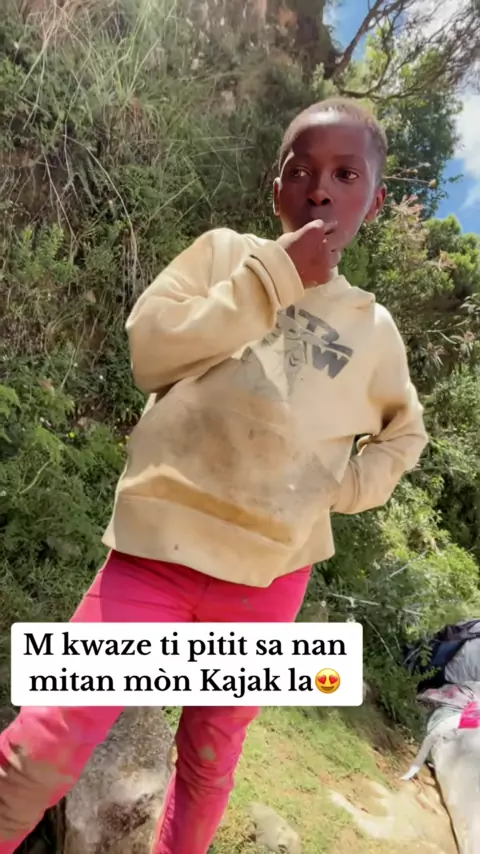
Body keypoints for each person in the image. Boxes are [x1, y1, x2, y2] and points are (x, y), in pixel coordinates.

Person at [0, 97, 428, 854]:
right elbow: (150, 349)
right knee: (49, 734)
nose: (319, 190)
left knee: (209, 761)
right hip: (156, 553)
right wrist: (273, 278)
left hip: (268, 581)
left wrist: (340, 488)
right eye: (300, 171)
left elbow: (405, 435)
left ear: (375, 200)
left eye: (345, 174)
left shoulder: (375, 331)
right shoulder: (225, 256)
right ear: (276, 187)